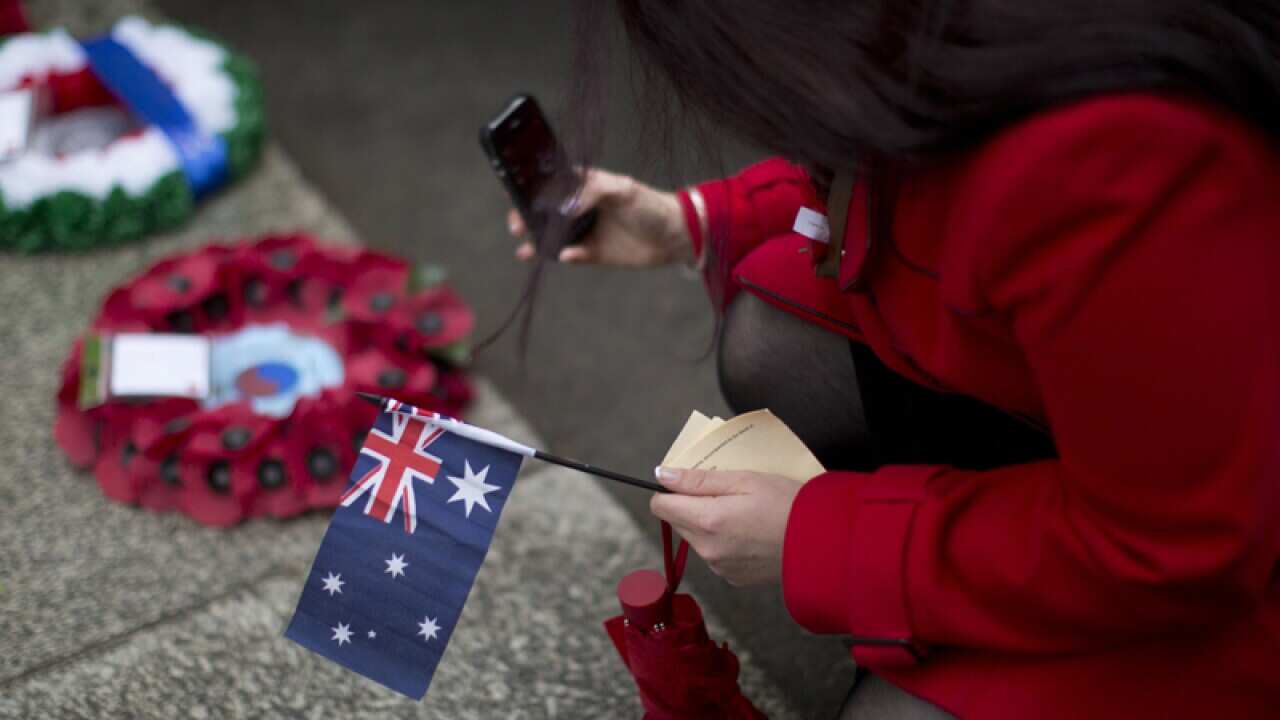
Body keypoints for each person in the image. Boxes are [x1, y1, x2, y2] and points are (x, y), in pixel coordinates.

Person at [507, 2, 1280, 717]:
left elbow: (1171, 544)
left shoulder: (1121, 165)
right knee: (772, 343)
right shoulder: (965, 46)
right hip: (1127, 451)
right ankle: (945, 609)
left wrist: (822, 541)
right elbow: (891, 158)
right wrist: (687, 222)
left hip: (1218, 564)